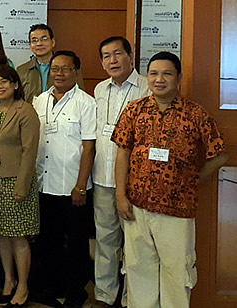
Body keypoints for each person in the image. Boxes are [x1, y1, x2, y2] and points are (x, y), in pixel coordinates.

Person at [112, 51, 228, 308]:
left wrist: (192, 180)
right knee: (138, 267)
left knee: (177, 271)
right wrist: (120, 196)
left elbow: (219, 155)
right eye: (153, 73)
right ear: (147, 77)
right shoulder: (135, 111)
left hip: (177, 209)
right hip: (136, 205)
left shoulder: (195, 114)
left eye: (166, 73)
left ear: (179, 78)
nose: (159, 79)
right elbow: (122, 153)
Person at [32, 50, 95, 308]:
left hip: (72, 187)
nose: (59, 73)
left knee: (76, 243)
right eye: (55, 69)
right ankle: (50, 288)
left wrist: (81, 186)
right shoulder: (39, 101)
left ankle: (75, 292)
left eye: (65, 69)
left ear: (76, 72)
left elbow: (89, 148)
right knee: (48, 241)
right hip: (43, 184)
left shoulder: (86, 103)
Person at [91, 36, 150, 308]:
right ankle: (104, 295)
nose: (112, 60)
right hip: (102, 177)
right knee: (105, 241)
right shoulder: (99, 89)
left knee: (136, 245)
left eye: (117, 54)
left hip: (135, 182)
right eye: (106, 56)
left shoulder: (146, 89)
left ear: (130, 55)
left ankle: (131, 299)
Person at [0, 65, 39, 307]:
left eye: (5, 82)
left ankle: (23, 286)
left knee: (19, 237)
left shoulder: (26, 111)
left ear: (16, 84)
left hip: (17, 181)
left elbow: (30, 151)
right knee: (3, 235)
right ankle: (9, 280)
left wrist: (22, 185)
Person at [16, 24, 85, 104]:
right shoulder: (21, 70)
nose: (39, 43)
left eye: (44, 39)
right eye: (34, 40)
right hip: (31, 115)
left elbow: (80, 95)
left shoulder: (70, 67)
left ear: (53, 42)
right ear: (30, 46)